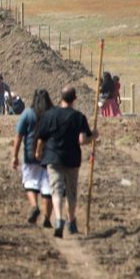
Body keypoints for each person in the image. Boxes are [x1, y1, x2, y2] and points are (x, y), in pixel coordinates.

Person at [34, 86, 96, 238]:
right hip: (72, 159)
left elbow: (41, 137)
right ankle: (71, 221)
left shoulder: (50, 115)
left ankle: (59, 220)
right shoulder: (79, 117)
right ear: (75, 98)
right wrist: (93, 136)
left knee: (56, 190)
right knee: (71, 192)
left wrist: (38, 152)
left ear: (60, 97)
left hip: (53, 158)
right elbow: (82, 140)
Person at [12, 89, 54, 228]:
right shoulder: (52, 114)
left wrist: (14, 156)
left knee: (30, 182)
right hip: (49, 155)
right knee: (47, 188)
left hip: (30, 154)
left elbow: (18, 136)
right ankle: (47, 218)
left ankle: (34, 205)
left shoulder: (28, 114)